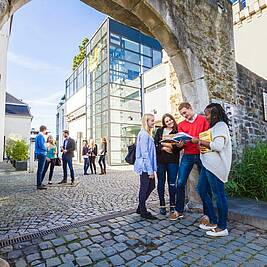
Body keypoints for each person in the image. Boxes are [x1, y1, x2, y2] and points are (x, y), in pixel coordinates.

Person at [192, 103, 232, 237]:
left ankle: (222, 227)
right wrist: (200, 146)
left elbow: (218, 146)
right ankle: (213, 221)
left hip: (215, 167)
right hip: (207, 164)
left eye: (207, 114)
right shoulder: (214, 127)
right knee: (202, 190)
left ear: (214, 114)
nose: (206, 117)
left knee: (219, 195)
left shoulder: (221, 125)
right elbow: (210, 147)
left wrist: (199, 141)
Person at [170, 102, 210, 221]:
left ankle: (208, 214)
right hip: (187, 155)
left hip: (201, 155)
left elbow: (207, 138)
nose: (184, 116)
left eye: (185, 113)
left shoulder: (203, 120)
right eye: (182, 114)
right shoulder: (181, 124)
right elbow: (181, 142)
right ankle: (179, 210)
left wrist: (197, 141)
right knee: (180, 183)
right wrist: (180, 144)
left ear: (190, 108)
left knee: (205, 184)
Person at [154, 113, 182, 215]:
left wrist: (172, 147)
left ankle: (172, 205)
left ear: (173, 120)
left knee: (172, 183)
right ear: (164, 123)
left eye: (170, 120)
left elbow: (179, 148)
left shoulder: (178, 131)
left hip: (173, 161)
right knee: (161, 183)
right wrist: (163, 147)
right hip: (160, 161)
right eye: (166, 121)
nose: (169, 122)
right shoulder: (160, 131)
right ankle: (162, 205)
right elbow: (155, 144)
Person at [134, 113, 157, 220]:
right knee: (145, 188)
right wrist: (150, 170)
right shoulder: (143, 134)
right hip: (145, 167)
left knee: (151, 186)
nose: (153, 122)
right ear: (146, 122)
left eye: (153, 120)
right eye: (151, 120)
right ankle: (143, 211)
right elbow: (145, 153)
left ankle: (140, 207)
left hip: (147, 166)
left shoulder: (146, 134)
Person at [35, 125, 48, 190]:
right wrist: (47, 148)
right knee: (40, 170)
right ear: (44, 130)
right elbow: (41, 146)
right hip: (41, 154)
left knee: (40, 169)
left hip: (40, 154)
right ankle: (39, 184)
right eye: (46, 130)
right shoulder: (40, 136)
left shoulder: (38, 136)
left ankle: (40, 183)